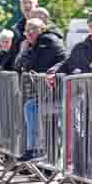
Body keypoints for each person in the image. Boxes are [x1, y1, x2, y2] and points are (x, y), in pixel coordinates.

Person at [15, 17, 67, 162]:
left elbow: (34, 65)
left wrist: (27, 52)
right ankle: (38, 151)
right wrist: (24, 51)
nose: (29, 33)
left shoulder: (47, 41)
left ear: (42, 29)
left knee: (32, 108)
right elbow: (18, 66)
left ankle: (36, 150)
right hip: (47, 94)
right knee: (31, 107)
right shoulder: (36, 45)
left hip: (59, 93)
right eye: (26, 31)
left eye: (33, 29)